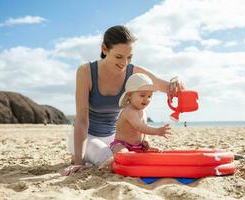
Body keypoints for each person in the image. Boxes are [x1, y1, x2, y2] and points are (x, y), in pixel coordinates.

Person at [61, 25, 184, 176]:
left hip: (115, 138)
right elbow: (81, 118)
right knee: (116, 162)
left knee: (132, 152)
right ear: (105, 49)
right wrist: (79, 162)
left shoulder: (133, 72)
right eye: (119, 57)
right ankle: (80, 156)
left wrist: (176, 82)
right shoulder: (85, 71)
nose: (124, 63)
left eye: (129, 57)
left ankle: (92, 157)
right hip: (88, 136)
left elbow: (164, 85)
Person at [110, 73, 171, 155]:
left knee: (155, 151)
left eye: (149, 96)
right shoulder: (129, 111)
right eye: (142, 95)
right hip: (122, 144)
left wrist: (146, 140)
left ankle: (137, 152)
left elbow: (144, 131)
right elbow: (140, 127)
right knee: (122, 153)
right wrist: (157, 131)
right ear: (129, 95)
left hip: (138, 146)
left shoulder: (143, 112)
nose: (146, 99)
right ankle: (109, 162)